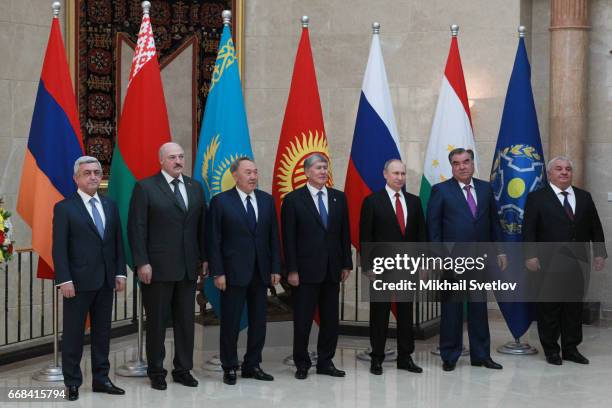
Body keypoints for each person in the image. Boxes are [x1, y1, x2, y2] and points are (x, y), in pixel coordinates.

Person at [128, 142, 207, 390]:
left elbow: (201, 226)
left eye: (181, 156)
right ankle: (157, 371)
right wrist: (142, 262)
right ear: (161, 160)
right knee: (157, 323)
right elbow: (137, 227)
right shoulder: (145, 187)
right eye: (172, 157)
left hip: (187, 267)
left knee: (185, 322)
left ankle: (183, 369)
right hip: (157, 268)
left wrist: (205, 258)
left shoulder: (195, 187)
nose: (178, 161)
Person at [426, 148, 506, 371]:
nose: (462, 166)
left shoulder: (485, 189)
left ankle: (481, 355)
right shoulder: (440, 190)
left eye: (466, 162)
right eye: (456, 163)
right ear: (451, 166)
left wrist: (500, 251)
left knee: (479, 308)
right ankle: (449, 355)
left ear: (472, 163)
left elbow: (494, 222)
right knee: (452, 309)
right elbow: (433, 227)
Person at [53, 156, 126, 401]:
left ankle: (101, 379)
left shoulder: (110, 205)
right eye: (87, 173)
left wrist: (120, 272)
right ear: (76, 178)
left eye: (97, 172)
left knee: (103, 333)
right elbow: (59, 248)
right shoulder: (64, 207)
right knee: (73, 334)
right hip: (77, 283)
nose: (94, 176)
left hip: (105, 281)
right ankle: (72, 382)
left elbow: (117, 242)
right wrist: (64, 280)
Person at [523, 156, 607, 365]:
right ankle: (551, 350)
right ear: (550, 174)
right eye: (559, 169)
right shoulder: (537, 198)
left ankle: (571, 348)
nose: (564, 172)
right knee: (549, 307)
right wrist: (530, 255)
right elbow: (529, 230)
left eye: (568, 169)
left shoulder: (584, 197)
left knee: (573, 307)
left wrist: (599, 253)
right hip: (548, 262)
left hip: (578, 263)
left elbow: (595, 227)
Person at [207, 157, 281, 385]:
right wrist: (218, 272)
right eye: (248, 172)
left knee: (259, 321)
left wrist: (275, 268)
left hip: (260, 272)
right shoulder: (220, 202)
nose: (253, 176)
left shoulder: (267, 201)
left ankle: (252, 364)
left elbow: (273, 239)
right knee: (230, 322)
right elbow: (214, 240)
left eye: (255, 172)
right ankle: (229, 366)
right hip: (232, 273)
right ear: (235, 175)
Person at [281, 153, 352, 380]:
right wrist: (291, 270)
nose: (323, 171)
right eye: (318, 167)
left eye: (325, 167)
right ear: (307, 171)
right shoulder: (293, 200)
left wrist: (346, 264)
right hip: (304, 272)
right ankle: (302, 363)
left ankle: (325, 362)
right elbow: (288, 239)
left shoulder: (338, 198)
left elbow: (344, 234)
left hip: (332, 269)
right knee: (302, 320)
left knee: (331, 320)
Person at [360, 159, 425, 375]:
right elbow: (366, 236)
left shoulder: (414, 202)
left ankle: (405, 357)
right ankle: (376, 358)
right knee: (380, 314)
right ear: (385, 175)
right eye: (395, 173)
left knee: (406, 314)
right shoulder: (372, 202)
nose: (399, 178)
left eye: (403, 174)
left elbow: (420, 237)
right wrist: (368, 266)